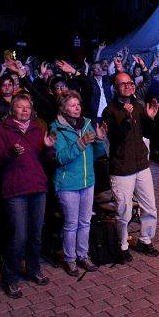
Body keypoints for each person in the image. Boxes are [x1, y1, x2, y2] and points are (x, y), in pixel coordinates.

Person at [0, 94, 56, 298]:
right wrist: (10, 152)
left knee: (36, 234)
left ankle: (33, 269)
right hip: (15, 189)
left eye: (27, 107)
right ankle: (11, 278)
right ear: (13, 110)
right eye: (20, 107)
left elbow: (46, 159)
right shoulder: (4, 129)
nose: (24, 110)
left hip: (37, 187)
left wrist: (47, 148)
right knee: (18, 236)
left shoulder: (38, 128)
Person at [102, 72, 159, 263]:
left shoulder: (138, 106)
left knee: (150, 206)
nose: (128, 86)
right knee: (123, 211)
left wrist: (150, 118)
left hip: (141, 165)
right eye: (123, 84)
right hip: (122, 168)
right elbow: (116, 138)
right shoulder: (109, 111)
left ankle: (145, 240)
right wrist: (126, 119)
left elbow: (150, 134)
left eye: (130, 83)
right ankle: (122, 245)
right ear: (115, 88)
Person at [50, 90, 107, 277]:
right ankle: (70, 259)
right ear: (63, 108)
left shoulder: (87, 124)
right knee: (71, 223)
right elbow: (60, 157)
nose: (77, 108)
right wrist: (80, 144)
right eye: (72, 105)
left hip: (87, 181)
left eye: (78, 104)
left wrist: (100, 139)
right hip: (68, 184)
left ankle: (83, 255)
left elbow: (98, 154)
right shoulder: (56, 128)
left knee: (85, 222)